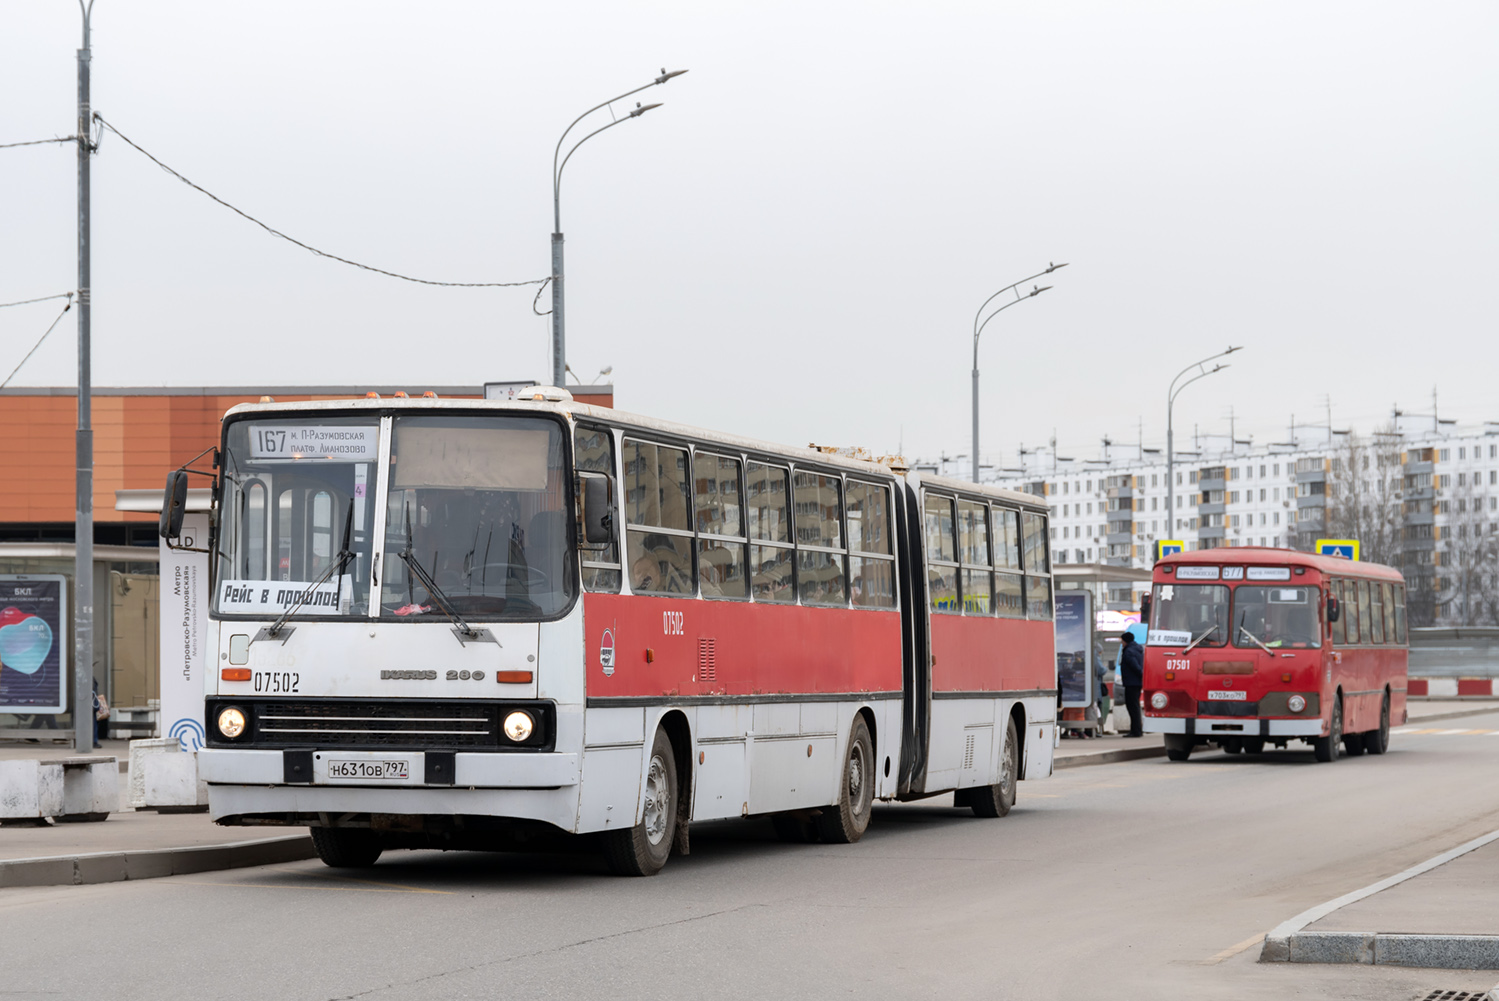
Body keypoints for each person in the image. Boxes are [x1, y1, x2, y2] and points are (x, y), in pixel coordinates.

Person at [1118, 628, 1144, 737]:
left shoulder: (1129, 652)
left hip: (1131, 683)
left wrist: (1140, 675)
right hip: (1136, 683)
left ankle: (1136, 731)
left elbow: (1135, 667)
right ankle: (1137, 730)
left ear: (1126, 641)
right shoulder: (1137, 649)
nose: (1121, 643)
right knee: (1135, 706)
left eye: (1122, 641)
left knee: (1132, 707)